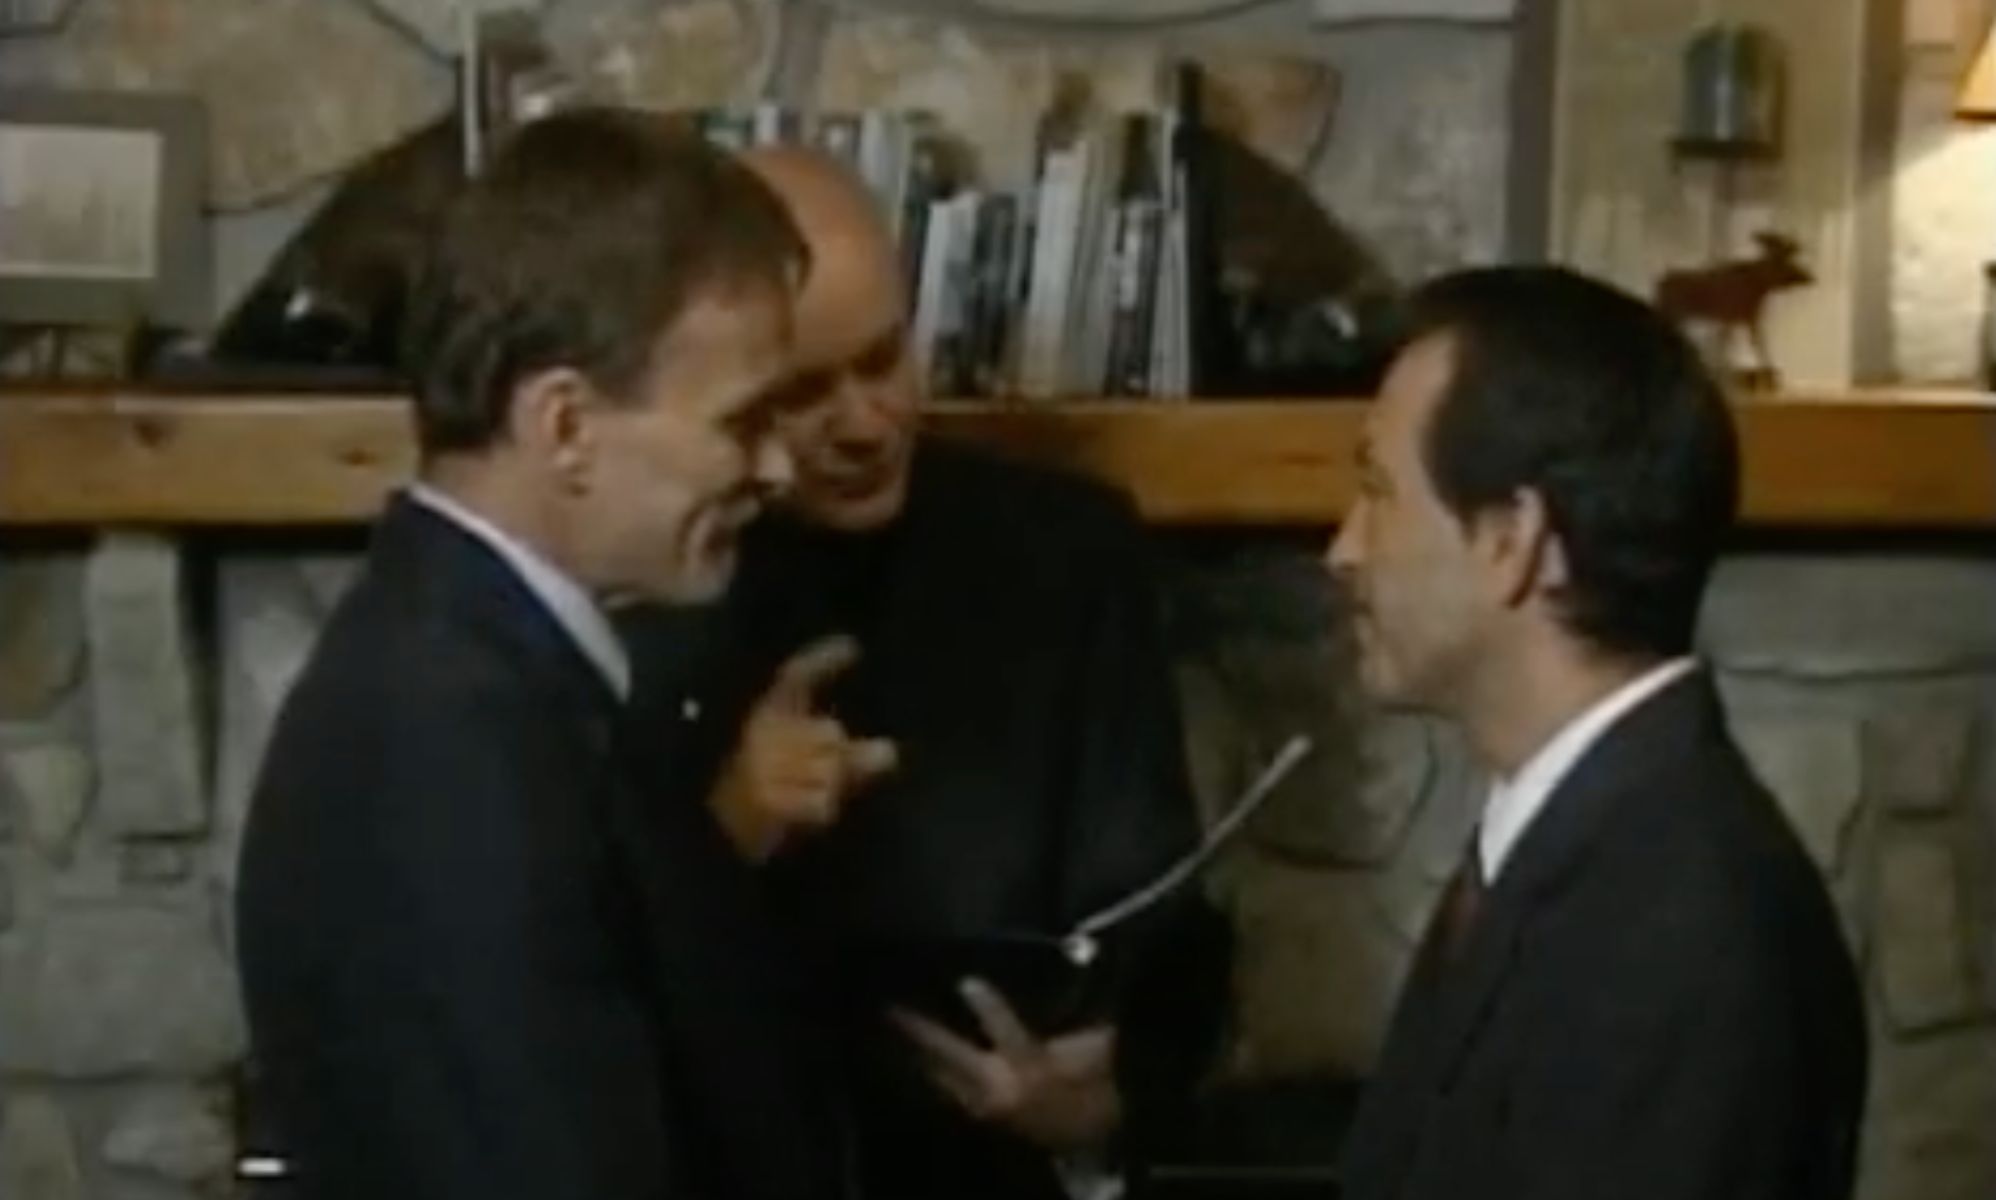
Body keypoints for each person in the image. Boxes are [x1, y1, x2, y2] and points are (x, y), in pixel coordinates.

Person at [234, 108, 845, 1200]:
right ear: (564, 425)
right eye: (740, 422)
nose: (777, 470)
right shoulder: (445, 750)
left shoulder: (495, 677)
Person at [622, 147, 1228, 1200]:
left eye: (885, 359)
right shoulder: (645, 576)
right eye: (805, 390)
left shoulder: (1066, 558)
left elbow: (1168, 949)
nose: (864, 423)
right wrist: (729, 828)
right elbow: (575, 989)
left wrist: (1093, 1106)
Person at [1327, 266, 1866, 1200]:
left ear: (1513, 539)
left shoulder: (1688, 929)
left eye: (1378, 490)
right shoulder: (1578, 840)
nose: (1342, 549)